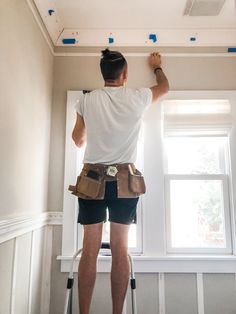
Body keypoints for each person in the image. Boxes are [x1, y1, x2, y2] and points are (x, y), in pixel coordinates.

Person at [71, 49, 169, 314]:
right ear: (125, 75)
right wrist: (156, 66)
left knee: (89, 250)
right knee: (120, 248)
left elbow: (78, 140)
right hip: (125, 181)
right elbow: (165, 87)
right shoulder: (137, 96)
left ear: (103, 74)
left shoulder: (87, 100)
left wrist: (96, 126)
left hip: (92, 179)